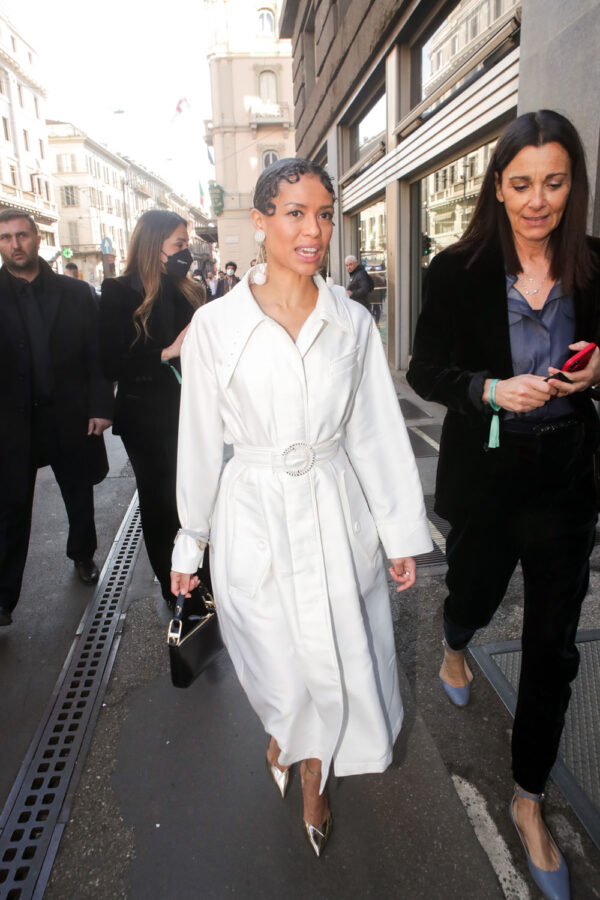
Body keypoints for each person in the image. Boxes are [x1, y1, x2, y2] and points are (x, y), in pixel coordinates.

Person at [171, 158, 432, 856]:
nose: (312, 229)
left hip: (332, 504)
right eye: (294, 212)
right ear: (259, 222)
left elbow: (374, 429)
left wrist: (399, 530)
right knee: (281, 669)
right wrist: (189, 541)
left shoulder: (351, 320)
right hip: (252, 514)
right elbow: (198, 437)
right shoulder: (216, 326)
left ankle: (314, 778)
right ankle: (290, 737)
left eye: (323, 212)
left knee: (338, 661)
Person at [407, 110, 600, 900]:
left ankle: (528, 801)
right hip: (488, 471)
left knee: (554, 646)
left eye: (554, 182)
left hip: (564, 477)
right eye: (522, 183)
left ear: (572, 186)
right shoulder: (456, 268)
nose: (537, 200)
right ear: (498, 185)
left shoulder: (593, 265)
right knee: (477, 593)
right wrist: (486, 389)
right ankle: (456, 640)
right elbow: (425, 369)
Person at [0, 210, 114, 626]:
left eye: (23, 236)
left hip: (69, 414)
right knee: (10, 507)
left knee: (78, 493)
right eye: (6, 238)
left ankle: (83, 554)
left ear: (37, 238)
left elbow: (98, 355)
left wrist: (102, 406)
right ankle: (3, 597)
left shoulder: (76, 293)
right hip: (12, 422)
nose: (15, 245)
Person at [99, 210, 207, 607]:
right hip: (146, 417)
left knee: (197, 499)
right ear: (153, 245)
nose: (186, 253)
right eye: (179, 245)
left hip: (193, 412)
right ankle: (176, 588)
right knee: (162, 503)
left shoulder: (190, 290)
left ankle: (201, 577)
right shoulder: (119, 292)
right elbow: (110, 362)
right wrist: (166, 352)